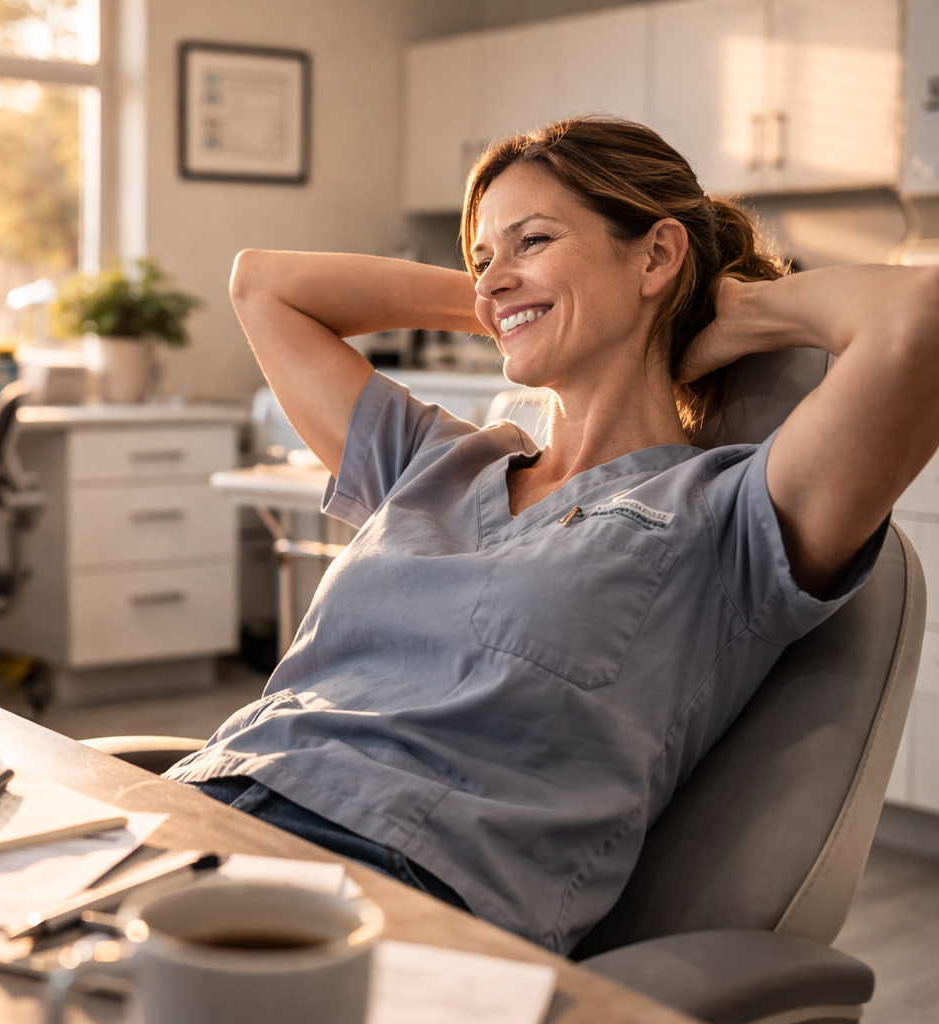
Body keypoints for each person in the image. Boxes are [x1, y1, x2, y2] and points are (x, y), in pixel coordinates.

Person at [162, 115, 939, 955]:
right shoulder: (436, 463)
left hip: (394, 891)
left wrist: (733, 309)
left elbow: (920, 317)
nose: (492, 277)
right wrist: (511, 296)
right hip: (201, 806)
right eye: (481, 257)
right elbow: (262, 286)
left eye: (533, 238)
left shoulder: (729, 513)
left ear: (655, 254)